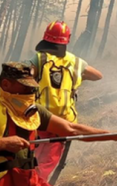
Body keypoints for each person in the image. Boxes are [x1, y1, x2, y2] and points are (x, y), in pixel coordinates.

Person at [0, 62, 117, 186]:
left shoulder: (35, 111)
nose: (31, 91)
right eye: (25, 87)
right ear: (6, 84)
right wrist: (3, 143)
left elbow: (71, 129)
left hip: (26, 179)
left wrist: (114, 135)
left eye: (32, 87)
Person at [29, 21, 102, 184]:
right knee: (46, 164)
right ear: (67, 39)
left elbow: (27, 75)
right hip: (64, 122)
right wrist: (77, 76)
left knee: (30, 161)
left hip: (39, 119)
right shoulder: (75, 61)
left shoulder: (40, 58)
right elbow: (98, 75)